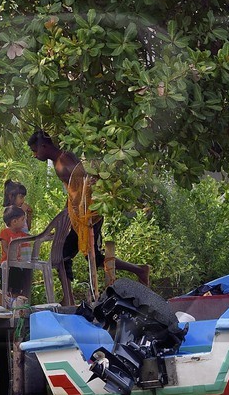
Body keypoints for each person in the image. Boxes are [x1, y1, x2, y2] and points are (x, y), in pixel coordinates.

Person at [27, 130, 148, 303]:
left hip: (89, 216)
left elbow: (86, 184)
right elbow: (73, 193)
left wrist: (80, 216)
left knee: (75, 256)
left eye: (35, 150)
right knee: (65, 256)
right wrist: (67, 217)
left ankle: (139, 271)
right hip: (79, 217)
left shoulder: (63, 163)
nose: (34, 155)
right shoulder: (62, 158)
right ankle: (68, 297)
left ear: (44, 146)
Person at [0, 204, 32, 306]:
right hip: (7, 265)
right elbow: (4, 247)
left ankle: (15, 305)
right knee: (4, 286)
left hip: (17, 266)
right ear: (14, 222)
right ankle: (1, 305)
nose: (24, 222)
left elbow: (31, 237)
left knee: (17, 286)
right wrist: (11, 255)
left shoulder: (21, 234)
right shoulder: (5, 233)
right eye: (23, 220)